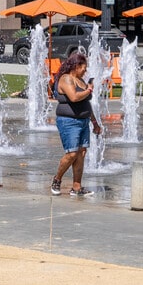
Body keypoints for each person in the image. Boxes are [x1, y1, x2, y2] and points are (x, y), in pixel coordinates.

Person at [50, 53, 101, 196]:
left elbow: (86, 103)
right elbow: (74, 97)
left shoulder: (81, 81)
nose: (85, 70)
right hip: (69, 122)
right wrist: (89, 90)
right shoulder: (66, 79)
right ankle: (57, 179)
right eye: (83, 66)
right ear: (75, 66)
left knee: (81, 153)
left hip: (83, 121)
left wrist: (95, 122)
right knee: (72, 153)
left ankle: (77, 187)